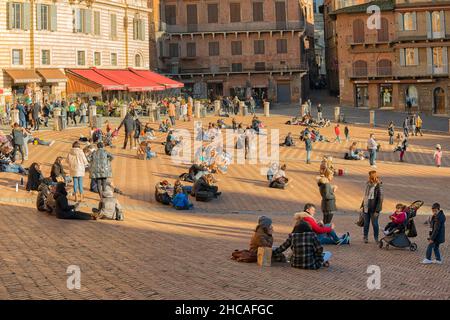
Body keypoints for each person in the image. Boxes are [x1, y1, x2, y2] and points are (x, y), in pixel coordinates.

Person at [360, 170, 383, 243]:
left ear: (373, 177)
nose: (369, 178)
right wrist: (362, 205)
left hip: (374, 209)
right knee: (366, 223)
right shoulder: (368, 184)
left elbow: (380, 199)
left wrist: (377, 210)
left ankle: (376, 238)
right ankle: (365, 237)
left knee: (375, 224)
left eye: (370, 176)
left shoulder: (379, 186)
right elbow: (365, 196)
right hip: (366, 207)